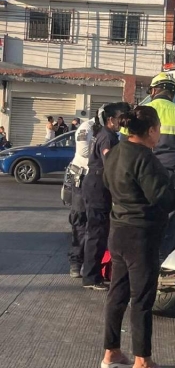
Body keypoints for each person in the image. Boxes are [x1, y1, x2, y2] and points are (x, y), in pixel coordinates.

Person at [101, 105, 175, 368]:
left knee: (118, 293)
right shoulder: (146, 159)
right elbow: (164, 197)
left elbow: (105, 182)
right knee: (142, 298)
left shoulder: (115, 152)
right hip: (141, 234)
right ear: (150, 131)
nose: (159, 134)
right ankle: (142, 361)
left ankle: (111, 353)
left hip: (118, 230)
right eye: (158, 129)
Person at [134, 72, 175, 261]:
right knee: (174, 222)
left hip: (142, 175)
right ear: (172, 93)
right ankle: (167, 261)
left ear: (154, 90)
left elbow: (125, 144)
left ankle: (145, 258)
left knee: (144, 218)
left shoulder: (139, 113)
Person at [82, 102, 131, 291]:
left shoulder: (104, 134)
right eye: (120, 118)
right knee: (97, 233)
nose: (123, 121)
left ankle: (91, 274)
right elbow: (110, 164)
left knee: (97, 231)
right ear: (110, 120)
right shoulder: (108, 138)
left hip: (95, 184)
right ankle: (91, 277)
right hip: (98, 187)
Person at [67, 115, 97, 277]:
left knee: (96, 222)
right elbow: (84, 151)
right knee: (79, 220)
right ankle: (75, 262)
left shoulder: (113, 131)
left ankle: (90, 262)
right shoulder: (86, 128)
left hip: (98, 180)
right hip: (82, 178)